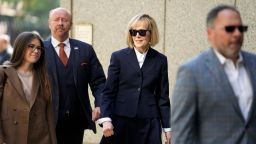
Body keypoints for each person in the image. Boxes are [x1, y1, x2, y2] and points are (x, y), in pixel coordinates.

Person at [171, 4, 256, 144]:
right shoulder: (191, 72)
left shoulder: (254, 64)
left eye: (241, 28)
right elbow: (182, 135)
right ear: (210, 33)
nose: (237, 34)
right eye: (230, 29)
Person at [100, 14, 171, 144]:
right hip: (121, 120)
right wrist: (106, 119)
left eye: (142, 32)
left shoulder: (161, 60)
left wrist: (167, 128)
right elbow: (108, 92)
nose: (137, 36)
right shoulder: (118, 57)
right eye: (133, 32)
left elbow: (163, 97)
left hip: (149, 122)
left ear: (151, 34)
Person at [44, 7, 106, 144]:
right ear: (49, 23)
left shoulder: (85, 49)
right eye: (56, 19)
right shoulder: (40, 50)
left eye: (64, 20)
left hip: (77, 121)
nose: (60, 23)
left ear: (70, 24)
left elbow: (99, 82)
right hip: (47, 120)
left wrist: (100, 104)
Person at [0, 32, 56, 144]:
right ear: (20, 47)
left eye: (39, 48)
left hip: (40, 138)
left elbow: (48, 114)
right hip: (10, 137)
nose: (36, 51)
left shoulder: (43, 77)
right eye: (31, 46)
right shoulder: (3, 73)